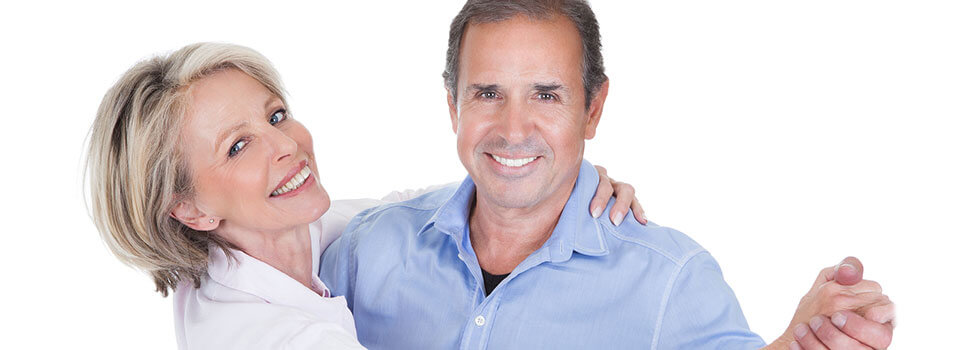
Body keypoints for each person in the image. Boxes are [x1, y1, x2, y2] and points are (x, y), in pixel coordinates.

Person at [319, 1, 896, 349]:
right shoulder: (366, 250)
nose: (513, 129)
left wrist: (810, 339)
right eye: (487, 93)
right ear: (453, 105)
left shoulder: (671, 281)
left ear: (592, 109)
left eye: (546, 96)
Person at [85, 42, 644, 349]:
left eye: (276, 115)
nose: (286, 144)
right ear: (189, 209)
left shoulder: (275, 236)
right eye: (238, 147)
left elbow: (397, 206)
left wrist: (554, 176)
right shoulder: (281, 338)